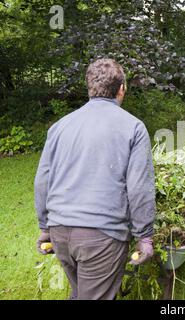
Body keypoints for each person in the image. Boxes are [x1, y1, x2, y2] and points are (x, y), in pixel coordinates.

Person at [34, 58, 155, 300]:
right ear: (121, 89)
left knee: (81, 293)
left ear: (90, 87)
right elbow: (139, 187)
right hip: (101, 237)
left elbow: (42, 180)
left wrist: (46, 227)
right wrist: (145, 236)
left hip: (60, 233)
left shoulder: (59, 126)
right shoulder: (133, 127)